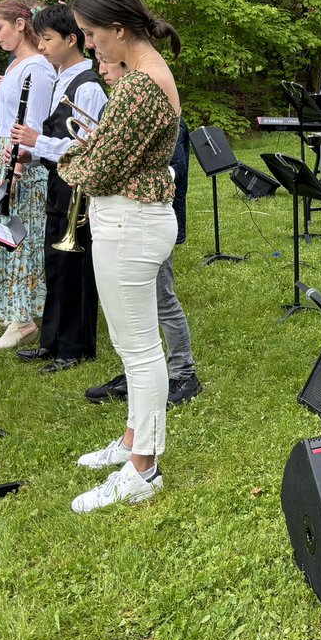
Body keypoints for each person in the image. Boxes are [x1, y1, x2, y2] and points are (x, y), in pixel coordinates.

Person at [60, 0, 181, 513]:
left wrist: (71, 160)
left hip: (131, 223)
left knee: (139, 349)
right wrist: (91, 154)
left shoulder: (140, 88)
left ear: (118, 29)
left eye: (91, 34)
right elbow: (107, 157)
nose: (89, 45)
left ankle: (143, 468)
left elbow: (97, 170)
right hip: (131, 219)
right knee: (131, 344)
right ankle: (133, 439)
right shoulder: (140, 77)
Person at [82, 57, 204, 407]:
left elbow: (173, 172)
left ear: (128, 69)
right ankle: (139, 372)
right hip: (124, 218)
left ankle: (184, 373)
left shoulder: (158, 112)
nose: (102, 70)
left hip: (148, 219)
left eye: (106, 63)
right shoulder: (121, 109)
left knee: (162, 297)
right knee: (134, 308)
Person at [9, 3, 108, 371]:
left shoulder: (89, 86)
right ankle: (52, 341)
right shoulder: (60, 78)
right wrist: (30, 154)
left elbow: (88, 146)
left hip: (77, 186)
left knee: (74, 267)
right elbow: (56, 138)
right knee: (55, 263)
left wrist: (37, 141)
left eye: (47, 39)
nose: (41, 46)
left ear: (71, 40)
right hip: (58, 181)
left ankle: (75, 348)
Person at [0, 0, 58, 351]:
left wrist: (17, 170)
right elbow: (14, 118)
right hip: (6, 155)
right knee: (8, 234)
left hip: (23, 164)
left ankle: (25, 319)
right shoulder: (16, 64)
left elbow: (34, 126)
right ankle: (15, 307)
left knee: (23, 238)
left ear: (20, 24)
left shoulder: (36, 67)